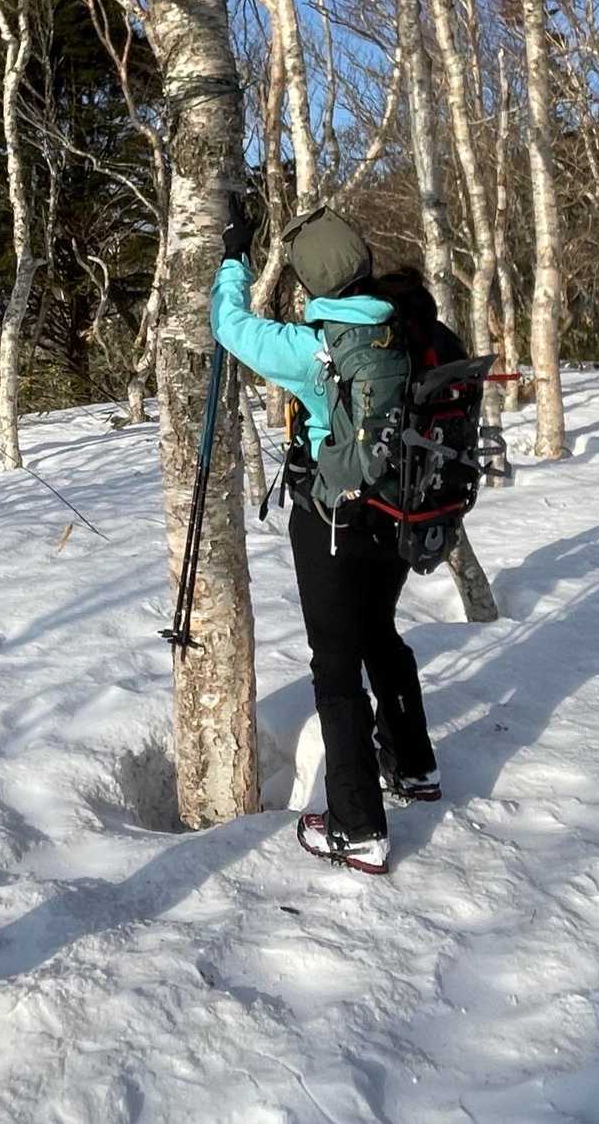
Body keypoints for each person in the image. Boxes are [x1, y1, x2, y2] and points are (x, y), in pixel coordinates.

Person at [210, 201, 446, 877]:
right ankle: (413, 764)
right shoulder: (406, 321)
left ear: (311, 280)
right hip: (400, 509)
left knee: (336, 669)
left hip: (334, 518)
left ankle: (357, 826)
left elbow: (230, 325)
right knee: (379, 633)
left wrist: (234, 258)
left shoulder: (313, 348)